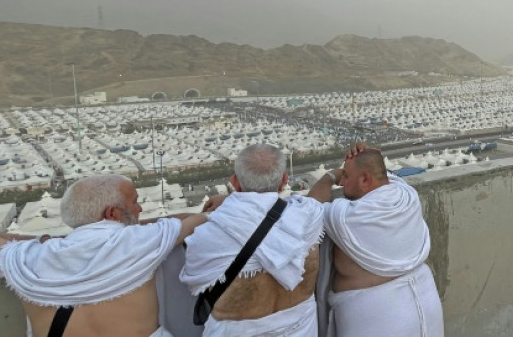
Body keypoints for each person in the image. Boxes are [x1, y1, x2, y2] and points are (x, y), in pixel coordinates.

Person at [0, 174, 207, 337]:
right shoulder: (141, 241)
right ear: (112, 213)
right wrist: (133, 225)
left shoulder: (30, 258)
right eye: (135, 202)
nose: (140, 209)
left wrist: (49, 240)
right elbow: (195, 220)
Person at [181, 144, 325, 337]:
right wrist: (332, 176)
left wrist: (228, 201)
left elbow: (195, 276)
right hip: (303, 328)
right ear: (284, 180)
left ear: (234, 182)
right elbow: (317, 199)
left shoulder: (208, 237)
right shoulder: (308, 215)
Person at [308, 143, 444, 336]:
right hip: (427, 305)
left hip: (378, 320)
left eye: (346, 176)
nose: (342, 182)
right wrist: (369, 156)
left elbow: (309, 209)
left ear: (365, 179)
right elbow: (385, 176)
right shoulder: (407, 196)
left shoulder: (348, 217)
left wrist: (330, 176)